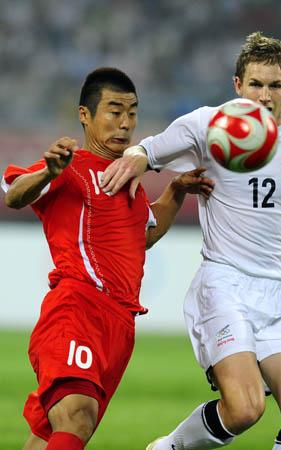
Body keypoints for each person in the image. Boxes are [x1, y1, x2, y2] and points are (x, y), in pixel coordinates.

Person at [100, 32, 281, 450]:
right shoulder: (207, 126)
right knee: (244, 409)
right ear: (238, 86)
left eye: (275, 86)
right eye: (256, 85)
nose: (265, 96)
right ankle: (169, 448)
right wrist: (130, 163)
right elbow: (147, 151)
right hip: (225, 284)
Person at [1, 67, 214, 450]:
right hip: (77, 308)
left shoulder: (127, 177)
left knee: (53, 433)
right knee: (77, 416)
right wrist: (48, 172)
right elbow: (14, 194)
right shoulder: (71, 167)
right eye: (114, 111)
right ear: (85, 114)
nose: (125, 124)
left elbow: (143, 237)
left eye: (132, 113)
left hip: (119, 327)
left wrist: (176, 191)